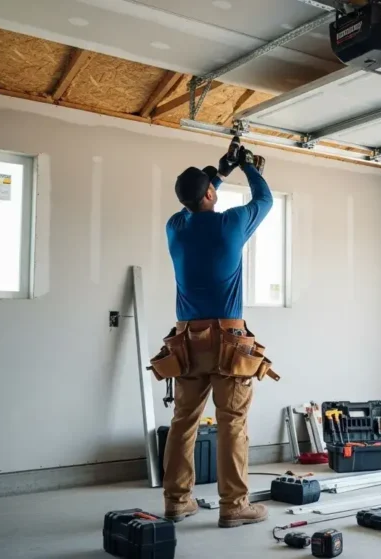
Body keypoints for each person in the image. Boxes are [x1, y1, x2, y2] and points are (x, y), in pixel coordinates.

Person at [161, 144, 272, 528]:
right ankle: (233, 506)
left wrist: (218, 175)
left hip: (186, 340)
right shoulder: (232, 224)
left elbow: (194, 201)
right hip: (228, 341)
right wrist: (244, 166)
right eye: (212, 188)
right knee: (232, 423)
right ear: (210, 195)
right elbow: (265, 197)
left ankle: (176, 501)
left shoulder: (175, 228)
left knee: (183, 421)